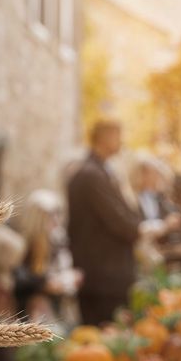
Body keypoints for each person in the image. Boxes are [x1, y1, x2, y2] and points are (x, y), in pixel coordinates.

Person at [67, 119, 144, 326]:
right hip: (103, 280)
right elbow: (125, 224)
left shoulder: (101, 172)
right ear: (104, 138)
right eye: (117, 135)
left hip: (105, 278)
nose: (121, 141)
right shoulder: (92, 175)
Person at [11, 188, 78, 323]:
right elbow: (20, 278)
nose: (55, 220)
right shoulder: (25, 244)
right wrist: (45, 284)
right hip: (32, 312)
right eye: (50, 215)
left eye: (57, 214)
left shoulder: (57, 240)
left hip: (57, 307)